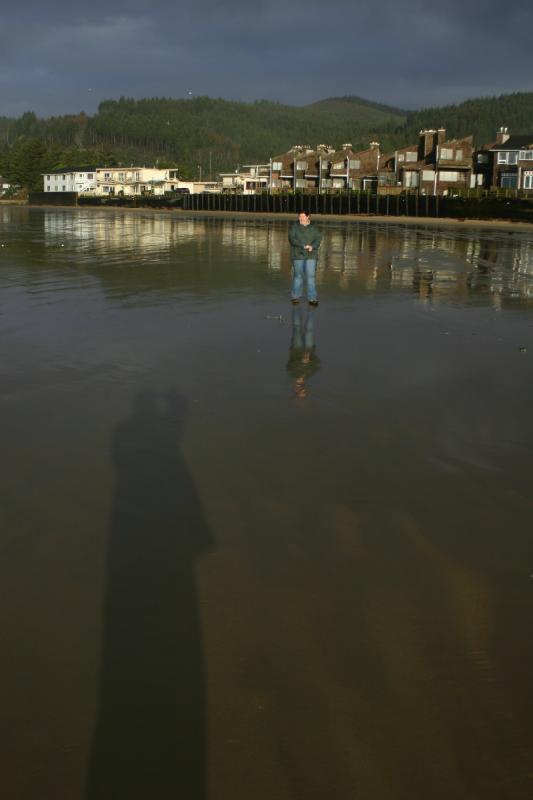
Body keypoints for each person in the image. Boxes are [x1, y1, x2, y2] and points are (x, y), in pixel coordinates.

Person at [288, 210, 322, 306]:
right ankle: (295, 297)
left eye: (303, 216)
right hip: (297, 255)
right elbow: (291, 239)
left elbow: (318, 238)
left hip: (311, 255)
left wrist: (312, 246)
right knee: (298, 276)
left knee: (311, 277)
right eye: (300, 216)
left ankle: (312, 298)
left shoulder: (314, 227)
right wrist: (303, 245)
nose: (301, 218)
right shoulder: (294, 226)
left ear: (308, 217)